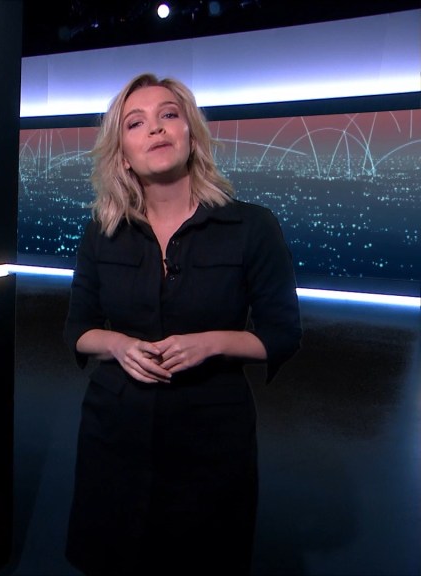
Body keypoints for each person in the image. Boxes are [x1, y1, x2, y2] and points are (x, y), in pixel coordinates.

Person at [62, 73, 302, 575]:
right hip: (115, 432)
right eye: (136, 123)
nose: (156, 128)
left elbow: (282, 334)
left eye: (169, 115)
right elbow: (78, 329)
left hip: (212, 436)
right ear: (122, 156)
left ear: (191, 134)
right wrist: (119, 345)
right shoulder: (102, 232)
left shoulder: (252, 227)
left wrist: (211, 343)